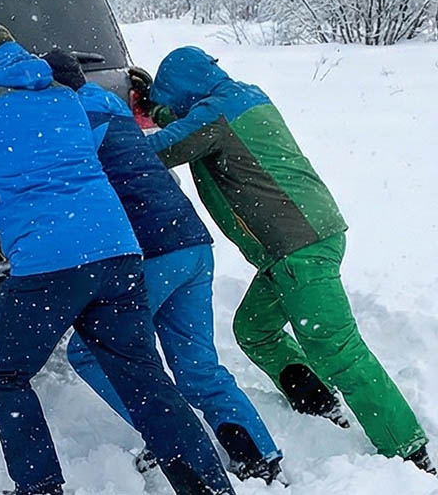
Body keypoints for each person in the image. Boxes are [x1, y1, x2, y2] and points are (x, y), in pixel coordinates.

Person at [0, 22, 234, 495]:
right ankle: (207, 486)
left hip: (51, 264)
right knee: (143, 376)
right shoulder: (62, 98)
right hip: (118, 253)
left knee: (3, 373)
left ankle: (39, 487)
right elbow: (23, 135)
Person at [132, 46, 433, 475]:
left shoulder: (214, 116)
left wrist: (128, 123)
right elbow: (189, 127)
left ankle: (408, 450)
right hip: (302, 240)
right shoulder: (239, 98)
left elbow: (161, 149)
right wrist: (159, 110)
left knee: (337, 348)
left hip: (298, 247)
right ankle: (315, 397)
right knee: (254, 329)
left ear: (183, 90)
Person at [28, 49, 284, 484]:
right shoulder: (113, 111)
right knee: (197, 367)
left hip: (152, 253)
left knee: (89, 351)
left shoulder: (69, 124)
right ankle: (259, 456)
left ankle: (170, 432)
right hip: (192, 245)